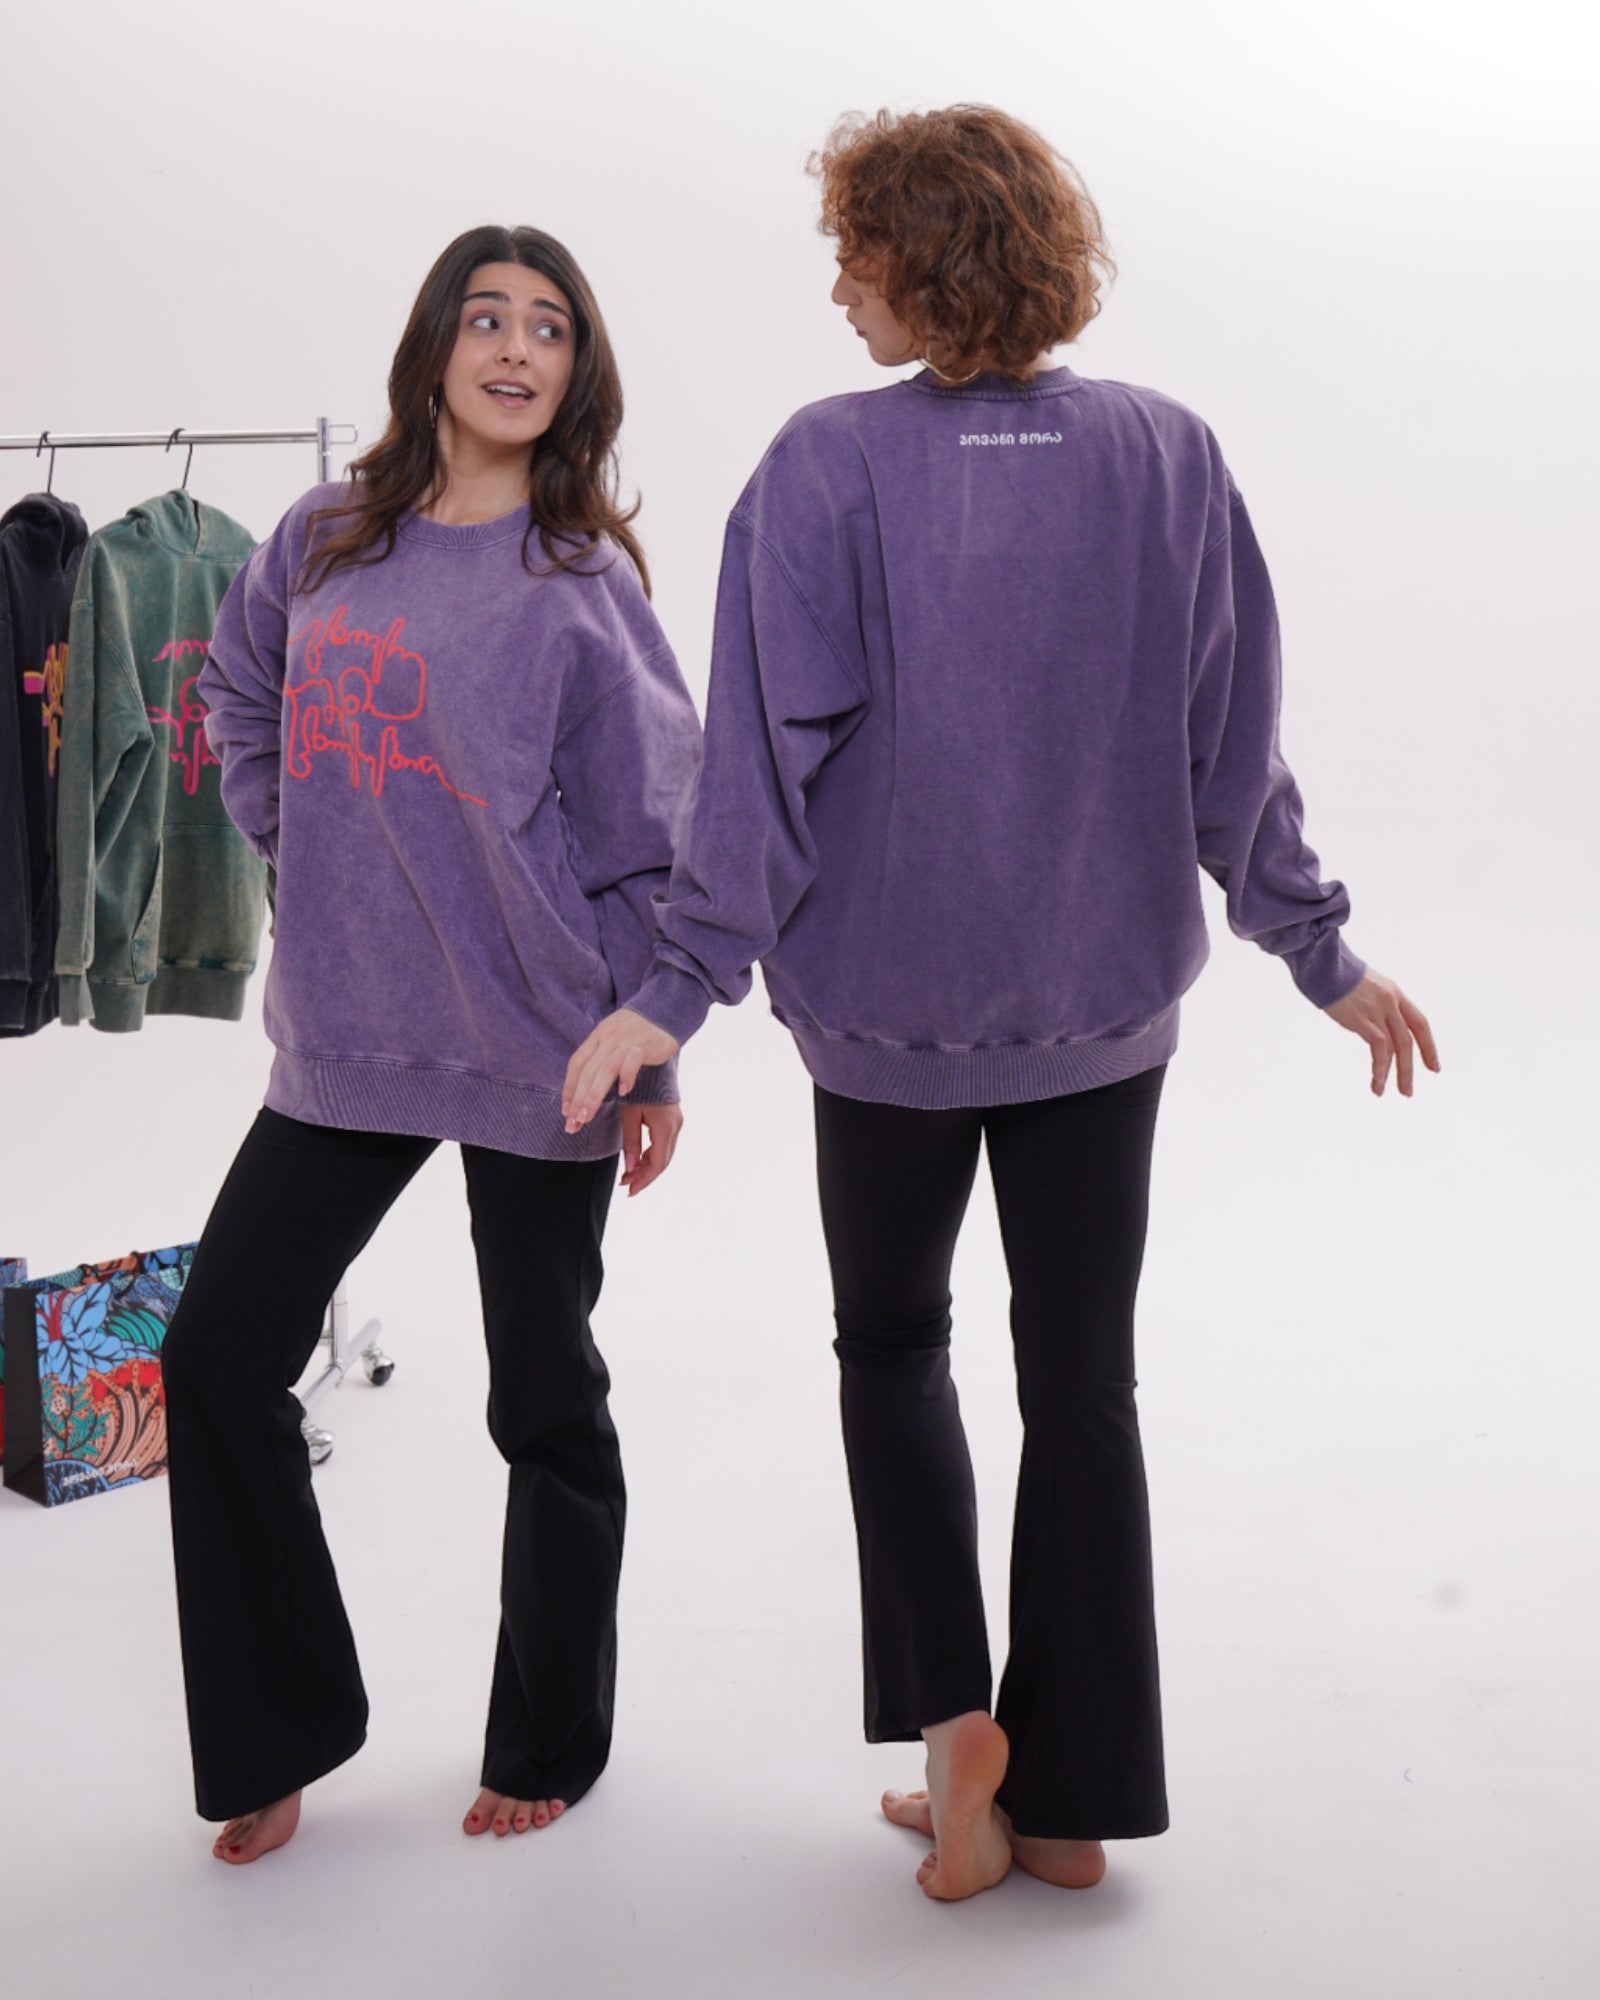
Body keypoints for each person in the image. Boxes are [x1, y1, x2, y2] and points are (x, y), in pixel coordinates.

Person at [561, 106, 1440, 1902]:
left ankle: (960, 1734)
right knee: (1085, 1382)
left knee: (895, 1351)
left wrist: (676, 989)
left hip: (884, 1016)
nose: (838, 289)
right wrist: (1320, 951)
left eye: (857, 253)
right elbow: (1230, 746)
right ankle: (1077, 1804)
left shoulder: (826, 464)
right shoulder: (1169, 454)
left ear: (930, 255)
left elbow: (760, 775)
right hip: (1100, 1013)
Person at [161, 224, 702, 1866]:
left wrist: (655, 1056)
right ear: (435, 349)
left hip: (545, 1042)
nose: (516, 349)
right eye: (487, 319)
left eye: (549, 327)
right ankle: (278, 1733)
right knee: (217, 1359)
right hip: (349, 1027)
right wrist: (294, 834)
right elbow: (236, 692)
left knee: (543, 1397)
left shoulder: (581, 585)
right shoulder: (325, 536)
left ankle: (549, 1738)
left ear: (577, 371)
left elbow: (653, 835)